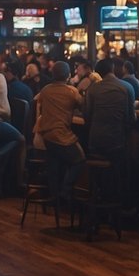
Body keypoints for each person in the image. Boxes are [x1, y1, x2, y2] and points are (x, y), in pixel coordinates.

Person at [34, 61, 85, 209]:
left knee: (54, 167)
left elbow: (39, 104)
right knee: (79, 160)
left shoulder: (45, 90)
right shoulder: (71, 91)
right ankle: (65, 192)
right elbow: (83, 106)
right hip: (62, 136)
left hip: (46, 136)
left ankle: (55, 198)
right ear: (68, 75)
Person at [83, 58, 135, 162]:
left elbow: (87, 117)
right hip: (117, 143)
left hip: (95, 142)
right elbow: (130, 119)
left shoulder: (92, 89)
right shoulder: (127, 87)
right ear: (113, 69)